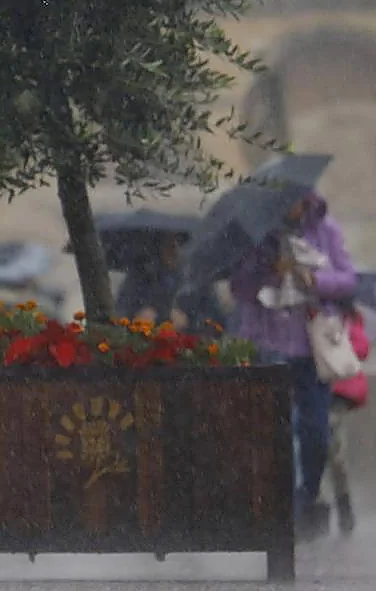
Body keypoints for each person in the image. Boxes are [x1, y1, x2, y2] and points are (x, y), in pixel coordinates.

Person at [229, 192, 356, 540]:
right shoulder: (256, 232)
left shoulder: (324, 228)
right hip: (267, 343)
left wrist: (316, 281)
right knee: (273, 429)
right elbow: (238, 287)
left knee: (315, 430)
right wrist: (267, 271)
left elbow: (348, 278)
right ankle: (280, 507)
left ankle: (306, 496)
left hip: (311, 345)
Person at [115, 233, 225, 333]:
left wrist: (190, 322)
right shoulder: (139, 276)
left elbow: (217, 324)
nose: (174, 247)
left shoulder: (198, 280)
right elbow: (120, 313)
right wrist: (136, 317)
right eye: (167, 242)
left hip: (187, 348)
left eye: (179, 241)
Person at [327, 300, 367, 534]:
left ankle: (342, 504)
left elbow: (361, 348)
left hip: (337, 393)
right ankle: (317, 504)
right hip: (312, 388)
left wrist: (338, 339)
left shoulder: (349, 317)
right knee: (317, 450)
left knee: (334, 451)